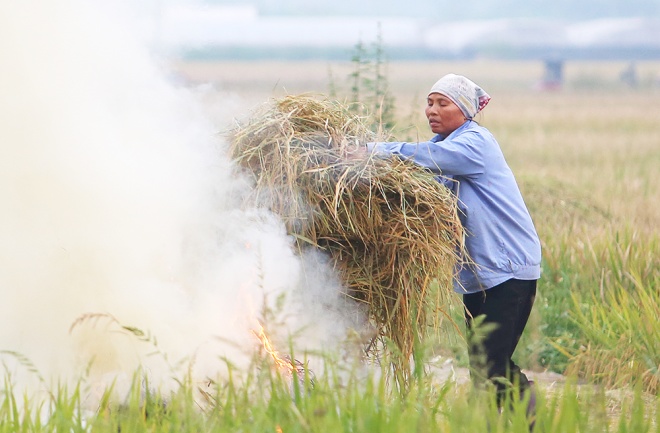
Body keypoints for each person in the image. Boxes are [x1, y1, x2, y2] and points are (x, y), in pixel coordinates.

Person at [363, 73, 541, 421]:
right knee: (484, 364)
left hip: (508, 270)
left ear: (464, 109)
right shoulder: (447, 149)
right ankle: (513, 418)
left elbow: (423, 157)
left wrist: (369, 152)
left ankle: (531, 419)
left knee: (490, 364)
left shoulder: (474, 144)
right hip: (478, 275)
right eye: (429, 102)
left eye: (442, 103)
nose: (432, 110)